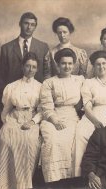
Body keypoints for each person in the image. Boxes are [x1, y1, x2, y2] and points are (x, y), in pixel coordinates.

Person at [0, 52, 43, 189]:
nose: (30, 69)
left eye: (34, 67)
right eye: (28, 66)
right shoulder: (12, 86)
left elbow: (42, 111)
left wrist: (32, 122)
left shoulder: (41, 87)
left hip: (32, 119)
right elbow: (6, 109)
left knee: (29, 142)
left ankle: (23, 185)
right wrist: (7, 122)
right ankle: (5, 184)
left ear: (37, 69)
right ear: (22, 67)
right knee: (6, 139)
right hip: (14, 117)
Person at [74, 50, 106, 177]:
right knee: (81, 133)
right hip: (93, 114)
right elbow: (87, 105)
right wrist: (95, 121)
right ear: (93, 66)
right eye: (98, 64)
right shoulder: (89, 82)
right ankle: (83, 174)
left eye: (104, 63)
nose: (101, 67)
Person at [39, 48, 84, 185]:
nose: (67, 66)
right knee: (52, 139)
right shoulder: (49, 82)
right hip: (53, 115)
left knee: (76, 138)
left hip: (72, 115)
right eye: (63, 63)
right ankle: (54, 181)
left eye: (70, 63)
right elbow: (46, 106)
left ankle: (72, 179)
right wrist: (55, 120)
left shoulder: (79, 80)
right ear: (57, 65)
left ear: (74, 64)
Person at [0, 12, 52, 84]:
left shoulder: (43, 47)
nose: (29, 27)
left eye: (32, 25)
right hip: (14, 91)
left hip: (37, 91)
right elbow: (3, 75)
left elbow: (47, 73)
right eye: (26, 23)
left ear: (35, 27)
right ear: (20, 24)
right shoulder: (6, 48)